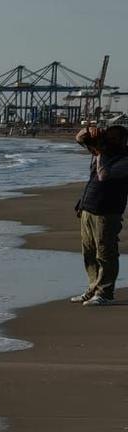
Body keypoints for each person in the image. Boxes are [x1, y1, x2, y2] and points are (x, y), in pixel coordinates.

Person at [72, 123, 128, 305]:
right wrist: (89, 132)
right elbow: (79, 138)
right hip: (89, 207)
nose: (108, 141)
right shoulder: (100, 152)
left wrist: (99, 151)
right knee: (88, 252)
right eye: (107, 137)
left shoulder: (123, 159)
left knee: (105, 253)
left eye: (112, 138)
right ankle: (93, 288)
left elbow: (104, 175)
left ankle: (105, 293)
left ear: (121, 141)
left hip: (108, 211)